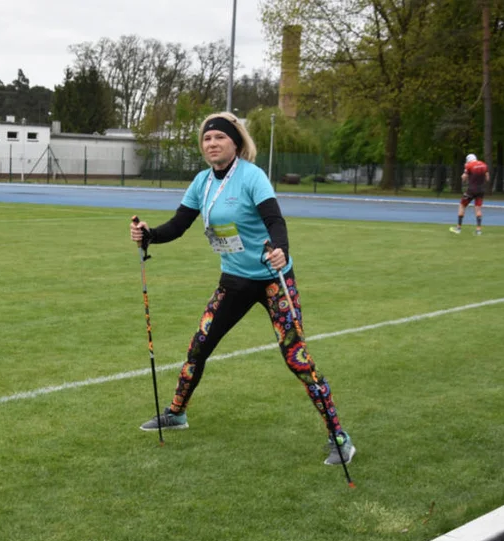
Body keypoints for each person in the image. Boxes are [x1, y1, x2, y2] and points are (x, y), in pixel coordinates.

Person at [129, 112, 356, 466]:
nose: (212, 144)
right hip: (234, 280)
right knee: (198, 346)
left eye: (219, 138)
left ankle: (339, 436)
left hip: (272, 281)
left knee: (297, 358)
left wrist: (281, 249)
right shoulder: (202, 182)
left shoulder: (252, 176)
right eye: (206, 139)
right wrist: (149, 235)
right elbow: (179, 224)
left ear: (235, 142)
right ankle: (176, 413)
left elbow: (274, 220)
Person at [450, 153, 489, 236]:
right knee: (478, 209)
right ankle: (478, 230)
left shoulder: (469, 165)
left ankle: (458, 228)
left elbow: (464, 177)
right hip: (481, 190)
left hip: (471, 190)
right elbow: (487, 178)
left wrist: (465, 171)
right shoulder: (484, 165)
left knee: (462, 205)